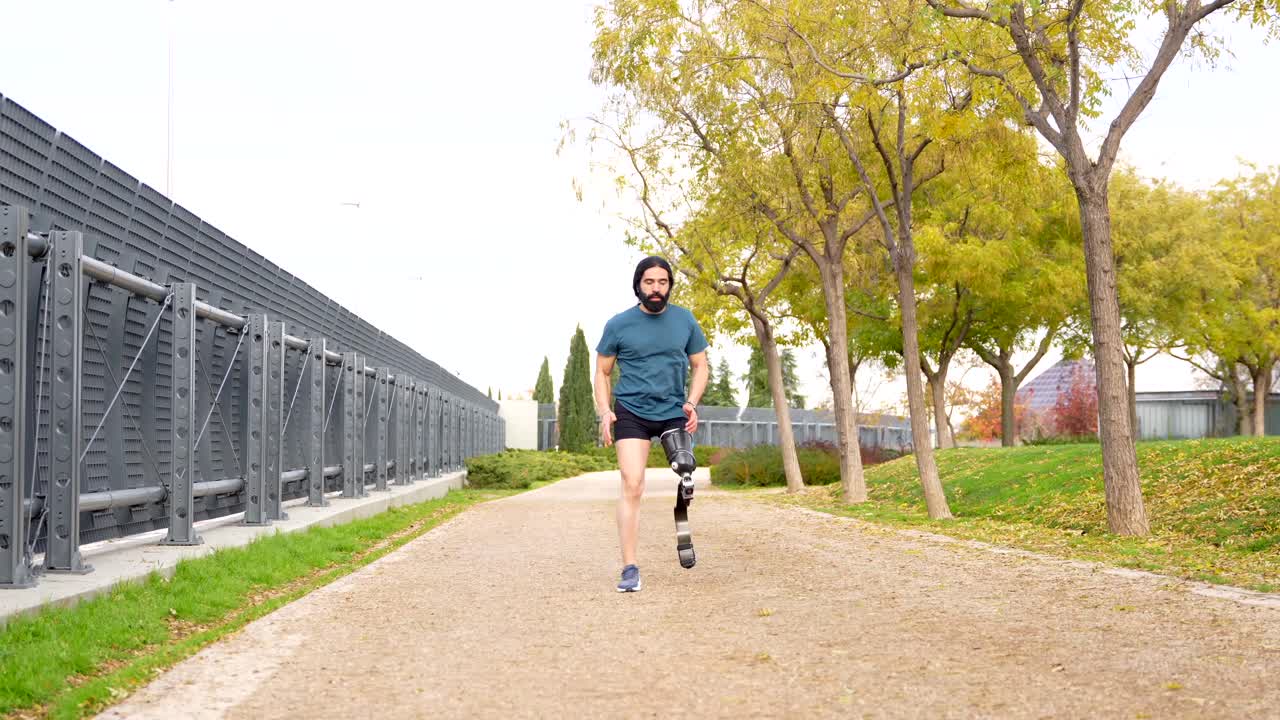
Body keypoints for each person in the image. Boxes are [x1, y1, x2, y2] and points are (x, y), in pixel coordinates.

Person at [594, 256, 709, 593]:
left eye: (662, 282)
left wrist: (692, 403)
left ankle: (683, 498)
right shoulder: (619, 325)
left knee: (684, 464)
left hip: (674, 409)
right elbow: (601, 372)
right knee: (632, 484)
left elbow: (700, 365)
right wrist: (605, 411)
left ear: (669, 285)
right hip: (631, 411)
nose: (656, 289)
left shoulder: (684, 320)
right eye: (649, 282)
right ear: (638, 285)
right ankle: (630, 568)